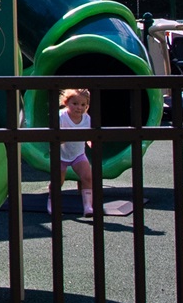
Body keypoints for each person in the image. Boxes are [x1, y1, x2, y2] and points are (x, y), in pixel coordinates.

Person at [36, 86, 126, 219]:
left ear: (87, 106)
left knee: (87, 177)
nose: (79, 107)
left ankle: (88, 206)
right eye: (75, 104)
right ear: (66, 103)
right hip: (60, 155)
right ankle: (52, 201)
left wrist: (91, 141)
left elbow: (89, 134)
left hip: (78, 154)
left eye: (83, 104)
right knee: (58, 181)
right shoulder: (61, 117)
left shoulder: (86, 119)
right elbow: (54, 137)